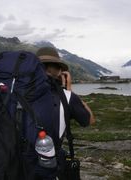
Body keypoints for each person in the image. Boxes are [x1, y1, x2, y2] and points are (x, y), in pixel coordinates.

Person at [35, 47, 95, 179]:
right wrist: (69, 91)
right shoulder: (67, 97)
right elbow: (89, 120)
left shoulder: (14, 93)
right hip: (48, 167)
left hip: (12, 163)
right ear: (59, 71)